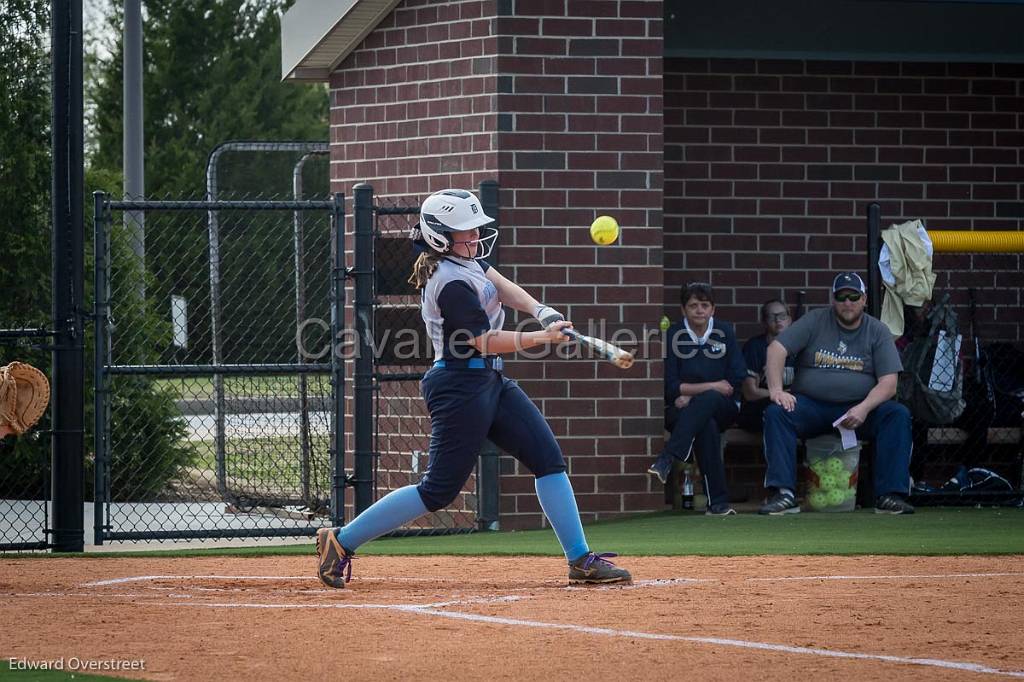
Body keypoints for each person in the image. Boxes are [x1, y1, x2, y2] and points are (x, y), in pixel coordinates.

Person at [315, 189, 631, 588]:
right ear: (439, 237)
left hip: (490, 381)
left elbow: (500, 283)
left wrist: (541, 311)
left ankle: (581, 559)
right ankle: (340, 542)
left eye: (476, 228)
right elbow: (482, 341)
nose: (476, 236)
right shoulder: (449, 283)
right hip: (459, 385)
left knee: (547, 458)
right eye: (465, 231)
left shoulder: (469, 262)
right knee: (439, 489)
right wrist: (542, 338)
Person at [759, 272, 915, 515]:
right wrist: (777, 391)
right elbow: (776, 349)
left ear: (864, 299)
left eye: (854, 296)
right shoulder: (815, 320)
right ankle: (783, 494)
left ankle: (889, 495)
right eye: (841, 296)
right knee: (777, 413)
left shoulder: (878, 330)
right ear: (833, 299)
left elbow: (889, 383)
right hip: (812, 406)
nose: (848, 302)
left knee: (897, 414)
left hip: (859, 409)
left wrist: (863, 408)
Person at [648, 282, 746, 516]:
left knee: (711, 401)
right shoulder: (674, 335)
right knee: (706, 425)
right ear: (683, 310)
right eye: (693, 305)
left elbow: (734, 380)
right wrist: (710, 387)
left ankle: (668, 457)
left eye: (705, 305)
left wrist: (692, 394)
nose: (699, 310)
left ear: (713, 309)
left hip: (723, 408)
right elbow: (670, 387)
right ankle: (719, 503)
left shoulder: (725, 332)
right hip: (683, 412)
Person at [737, 299, 796, 432]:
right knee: (776, 414)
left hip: (790, 408)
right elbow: (750, 393)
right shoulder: (754, 347)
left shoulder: (799, 348)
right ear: (764, 321)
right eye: (772, 316)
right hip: (757, 410)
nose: (778, 320)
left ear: (789, 320)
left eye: (782, 316)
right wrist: (782, 394)